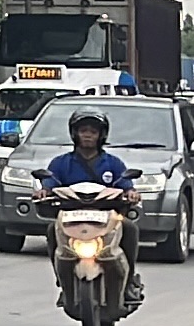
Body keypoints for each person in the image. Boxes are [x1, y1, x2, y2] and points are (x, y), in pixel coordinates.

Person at [39, 110, 143, 309]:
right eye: (83, 131)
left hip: (107, 216)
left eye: (93, 131)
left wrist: (131, 193)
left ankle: (128, 282)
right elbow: (50, 182)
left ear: (101, 135)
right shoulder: (61, 163)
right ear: (74, 134)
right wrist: (44, 191)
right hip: (71, 217)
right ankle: (63, 281)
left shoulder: (113, 163)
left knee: (130, 228)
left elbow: (126, 185)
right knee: (52, 230)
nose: (88, 135)